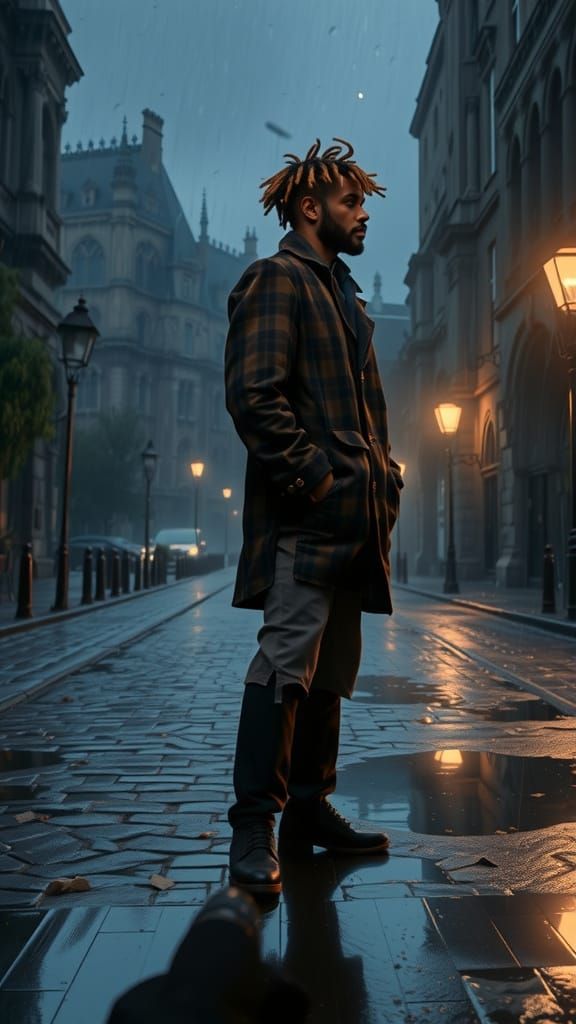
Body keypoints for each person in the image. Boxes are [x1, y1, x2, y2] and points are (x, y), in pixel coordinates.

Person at [224, 138, 404, 896]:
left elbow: (368, 413)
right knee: (285, 666)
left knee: (331, 671)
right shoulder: (277, 281)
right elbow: (254, 396)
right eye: (351, 202)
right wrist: (319, 480)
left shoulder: (346, 296)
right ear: (309, 207)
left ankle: (308, 811)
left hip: (356, 521)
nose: (364, 214)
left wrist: (382, 480)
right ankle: (253, 828)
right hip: (307, 519)